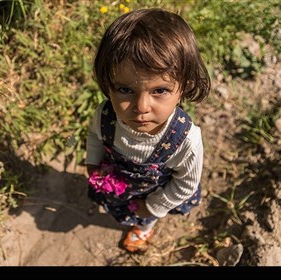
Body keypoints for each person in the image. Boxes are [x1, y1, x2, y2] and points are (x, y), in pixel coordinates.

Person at [85, 8, 210, 253]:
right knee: (121, 207)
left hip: (154, 195)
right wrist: (92, 161)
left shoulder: (185, 140)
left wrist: (153, 206)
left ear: (184, 86)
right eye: (125, 90)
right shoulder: (106, 116)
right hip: (121, 184)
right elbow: (94, 137)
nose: (141, 107)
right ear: (107, 83)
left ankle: (144, 229)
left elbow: (185, 183)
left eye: (160, 90)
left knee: (144, 216)